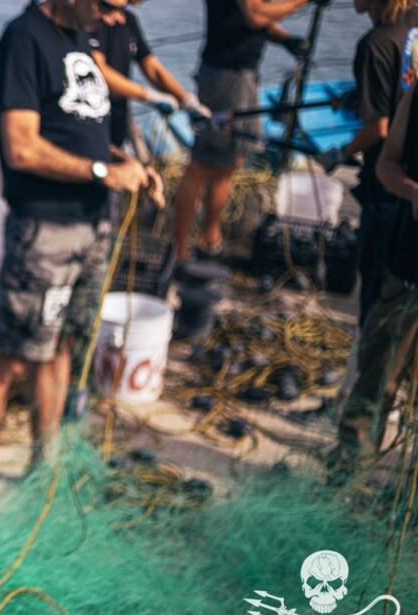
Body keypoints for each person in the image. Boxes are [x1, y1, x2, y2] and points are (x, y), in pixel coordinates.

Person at [0, 0, 164, 511]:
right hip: (45, 228)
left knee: (63, 344)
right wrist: (104, 175)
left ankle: (42, 466)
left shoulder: (83, 34)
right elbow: (21, 147)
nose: (114, 18)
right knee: (11, 356)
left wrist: (127, 164)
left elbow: (80, 130)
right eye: (109, 5)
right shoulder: (25, 38)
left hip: (93, 224)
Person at [172, 0, 316, 262]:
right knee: (203, 164)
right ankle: (180, 249)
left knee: (230, 162)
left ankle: (210, 241)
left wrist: (286, 39)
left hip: (244, 74)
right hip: (224, 76)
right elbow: (255, 15)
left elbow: (251, 19)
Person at [330, 76, 418, 483]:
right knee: (375, 381)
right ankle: (348, 476)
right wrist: (411, 191)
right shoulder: (415, 94)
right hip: (407, 270)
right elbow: (386, 164)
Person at [319, 0, 418, 327]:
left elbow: (379, 127)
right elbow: (400, 94)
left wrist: (341, 154)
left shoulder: (374, 43)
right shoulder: (409, 36)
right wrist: (353, 98)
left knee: (375, 296)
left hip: (386, 190)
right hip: (407, 195)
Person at [89, 0, 212, 151]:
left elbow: (152, 68)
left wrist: (186, 100)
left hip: (118, 118)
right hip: (92, 118)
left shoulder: (129, 21)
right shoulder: (94, 21)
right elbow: (97, 70)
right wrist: (148, 95)